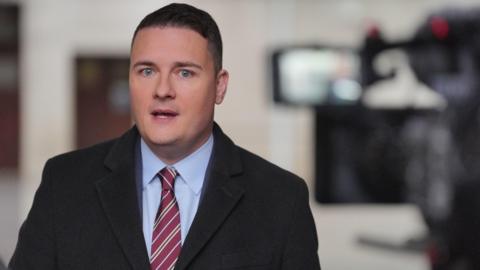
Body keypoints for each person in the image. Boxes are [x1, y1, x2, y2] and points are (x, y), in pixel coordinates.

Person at [9, 3, 321, 270]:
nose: (162, 90)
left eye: (184, 72)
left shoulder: (281, 199)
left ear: (220, 86)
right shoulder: (63, 183)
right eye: (146, 71)